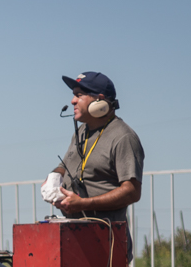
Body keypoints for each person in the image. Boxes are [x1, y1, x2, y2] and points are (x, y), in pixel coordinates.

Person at [41, 71, 144, 255]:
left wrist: (84, 204)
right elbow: (66, 165)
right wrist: (54, 177)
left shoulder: (123, 137)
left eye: (79, 95)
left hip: (106, 242)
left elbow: (132, 191)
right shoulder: (81, 132)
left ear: (100, 100)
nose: (73, 101)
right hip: (76, 238)